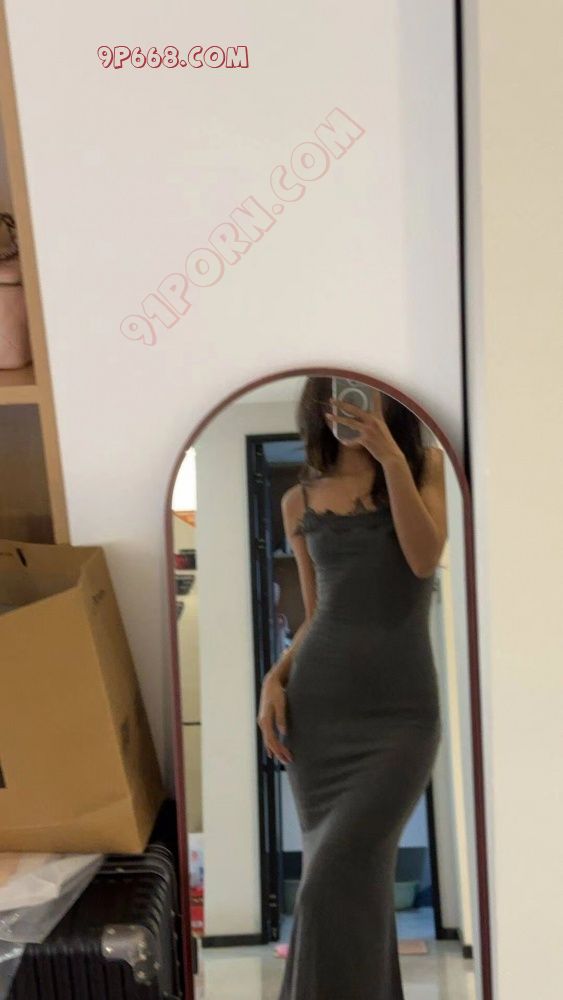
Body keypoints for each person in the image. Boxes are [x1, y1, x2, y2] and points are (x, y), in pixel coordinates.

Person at [256, 376, 447, 1000]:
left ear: (387, 404)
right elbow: (316, 615)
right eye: (338, 394)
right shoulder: (298, 501)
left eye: (364, 394)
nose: (351, 406)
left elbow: (423, 559)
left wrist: (390, 457)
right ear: (319, 405)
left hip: (402, 716)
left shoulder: (423, 469)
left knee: (331, 876)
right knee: (351, 883)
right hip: (320, 712)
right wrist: (276, 675)